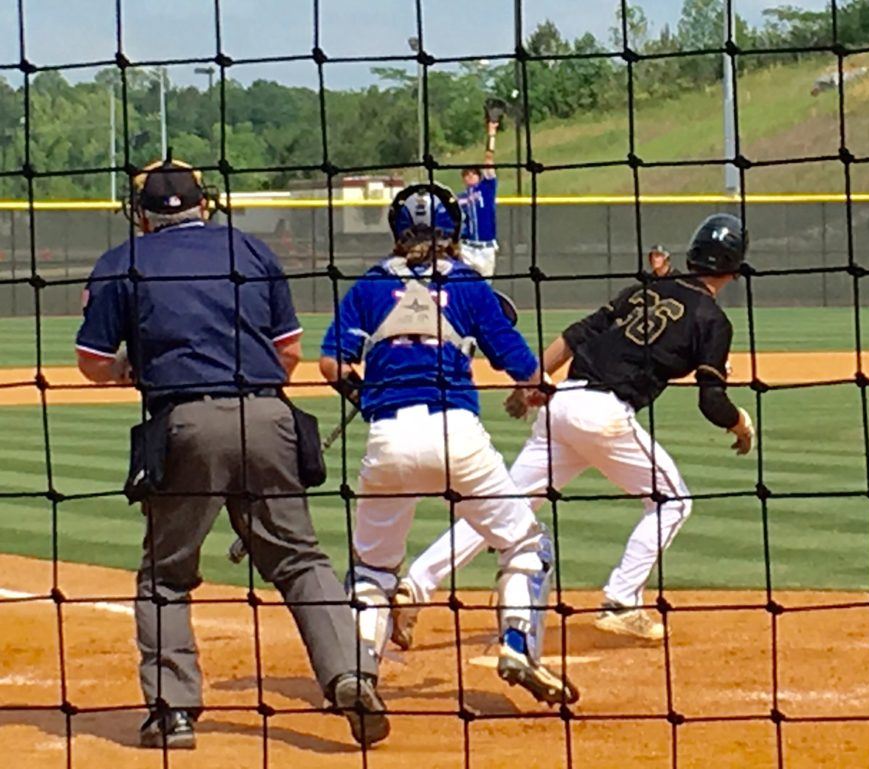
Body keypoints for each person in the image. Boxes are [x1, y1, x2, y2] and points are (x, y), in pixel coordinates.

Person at [75, 158, 377, 749]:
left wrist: (128, 368)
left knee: (165, 575)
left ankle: (174, 713)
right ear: (204, 204)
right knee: (299, 560)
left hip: (185, 422)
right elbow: (288, 353)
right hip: (270, 417)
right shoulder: (252, 252)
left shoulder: (123, 263)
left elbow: (91, 361)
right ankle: (349, 673)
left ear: (141, 216)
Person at [391, 214, 754, 647]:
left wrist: (529, 382)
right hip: (603, 415)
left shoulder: (645, 289)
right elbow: (711, 401)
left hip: (560, 404)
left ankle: (413, 586)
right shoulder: (713, 320)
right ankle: (621, 600)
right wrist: (741, 423)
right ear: (734, 269)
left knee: (502, 508)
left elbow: (576, 334)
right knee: (672, 502)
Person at [319, 182, 579, 721]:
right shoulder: (468, 285)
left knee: (373, 569)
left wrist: (365, 396)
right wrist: (536, 389)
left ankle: (362, 670)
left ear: (396, 230)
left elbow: (332, 365)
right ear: (454, 230)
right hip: (457, 436)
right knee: (525, 544)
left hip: (388, 437)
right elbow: (524, 366)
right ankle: (516, 643)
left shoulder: (368, 286)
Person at [457, 117, 500, 277]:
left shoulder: (486, 188)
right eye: (466, 174)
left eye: (473, 173)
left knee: (485, 287)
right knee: (465, 285)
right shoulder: (459, 198)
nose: (470, 177)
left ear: (479, 176)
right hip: (467, 247)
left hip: (486, 247)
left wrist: (491, 134)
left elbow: (488, 160)